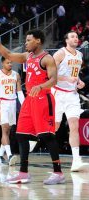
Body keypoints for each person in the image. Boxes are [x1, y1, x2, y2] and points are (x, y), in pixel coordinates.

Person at [0, 25, 65, 185]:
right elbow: (7, 54)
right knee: (21, 134)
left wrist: (41, 86)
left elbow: (54, 80)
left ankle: (58, 173)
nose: (26, 43)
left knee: (47, 135)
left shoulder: (47, 58)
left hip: (44, 99)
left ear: (38, 41)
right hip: (30, 100)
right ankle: (23, 172)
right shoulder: (27, 56)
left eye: (29, 40)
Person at [52, 31, 89, 172]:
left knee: (74, 125)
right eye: (72, 36)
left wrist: (79, 81)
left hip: (72, 95)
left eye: (77, 37)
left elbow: (74, 73)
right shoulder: (60, 54)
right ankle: (35, 138)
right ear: (66, 40)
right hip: (57, 93)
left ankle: (76, 160)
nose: (76, 38)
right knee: (54, 127)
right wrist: (66, 79)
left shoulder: (79, 55)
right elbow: (51, 74)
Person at [0, 56, 24, 166]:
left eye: (11, 63)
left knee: (9, 131)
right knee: (4, 129)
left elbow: (19, 92)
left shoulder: (16, 75)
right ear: (2, 63)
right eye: (8, 62)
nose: (10, 64)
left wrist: (24, 105)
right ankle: (9, 155)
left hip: (12, 103)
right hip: (1, 103)